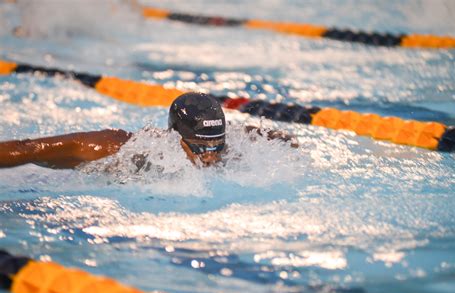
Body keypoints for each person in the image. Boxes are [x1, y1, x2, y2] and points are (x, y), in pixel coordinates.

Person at [0, 92, 297, 169]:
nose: (210, 158)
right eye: (200, 148)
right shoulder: (124, 149)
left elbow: (273, 139)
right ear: (175, 137)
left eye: (216, 147)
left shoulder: (224, 145)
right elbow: (29, 149)